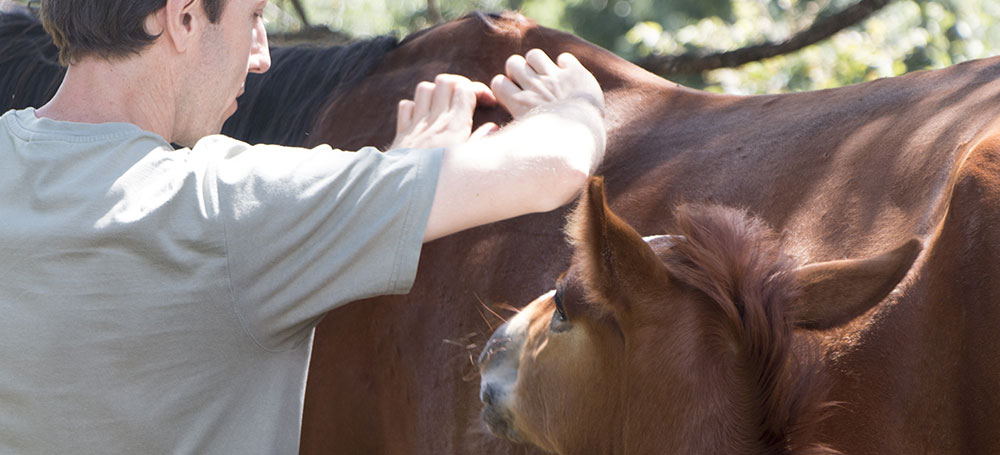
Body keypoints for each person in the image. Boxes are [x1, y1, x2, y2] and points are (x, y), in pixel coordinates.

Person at [0, 0, 605, 453]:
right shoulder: (226, 207)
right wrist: (578, 101)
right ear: (183, 18)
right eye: (253, 15)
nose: (262, 55)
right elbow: (554, 167)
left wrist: (394, 172)